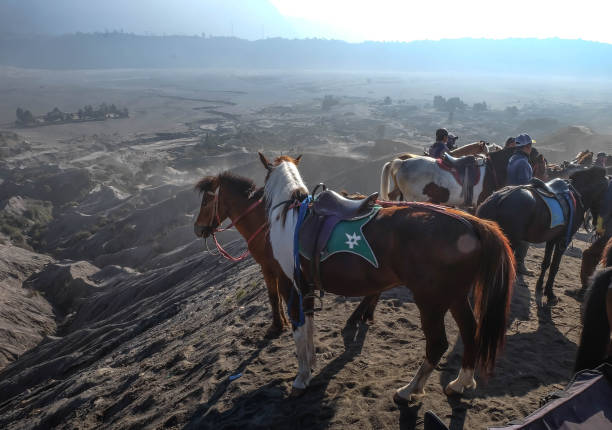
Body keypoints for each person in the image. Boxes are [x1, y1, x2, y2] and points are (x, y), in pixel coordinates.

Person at [507, 133, 536, 275]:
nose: (531, 148)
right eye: (530, 145)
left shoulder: (513, 158)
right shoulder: (524, 163)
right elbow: (526, 186)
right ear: (526, 147)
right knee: (526, 233)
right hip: (519, 200)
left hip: (509, 196)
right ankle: (519, 263)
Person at [580, 177, 612, 291]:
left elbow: (606, 208)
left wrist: (599, 227)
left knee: (589, 255)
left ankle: (585, 290)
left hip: (609, 234)